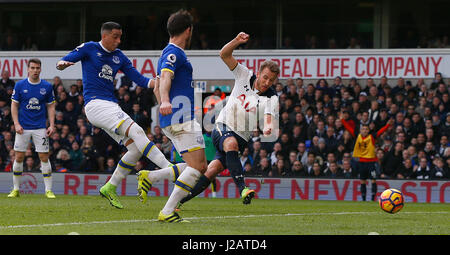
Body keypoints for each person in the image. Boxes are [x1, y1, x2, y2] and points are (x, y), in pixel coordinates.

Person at [56, 21, 184, 209]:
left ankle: (110, 187)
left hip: (110, 106)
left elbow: (140, 79)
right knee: (139, 132)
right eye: (115, 36)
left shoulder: (119, 57)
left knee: (136, 149)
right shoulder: (90, 48)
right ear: (105, 36)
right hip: (96, 105)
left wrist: (157, 82)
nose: (118, 40)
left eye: (120, 37)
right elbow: (66, 59)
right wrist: (61, 65)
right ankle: (170, 170)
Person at [175, 32, 279, 209]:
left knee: (211, 171)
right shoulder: (244, 74)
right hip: (223, 127)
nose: (267, 82)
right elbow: (224, 54)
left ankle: (178, 202)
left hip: (242, 138)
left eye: (272, 80)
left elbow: (269, 118)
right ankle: (243, 188)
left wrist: (268, 128)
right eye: (265, 77)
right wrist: (237, 41)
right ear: (259, 73)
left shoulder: (272, 97)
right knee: (230, 143)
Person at [137, 10, 207, 223]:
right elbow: (165, 78)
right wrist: (166, 101)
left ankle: (152, 176)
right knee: (199, 167)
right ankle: (167, 210)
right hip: (180, 115)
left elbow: (158, 84)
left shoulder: (167, 53)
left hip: (173, 117)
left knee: (196, 164)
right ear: (188, 30)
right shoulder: (173, 53)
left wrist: (162, 102)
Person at [8, 58, 56, 198]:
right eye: (33, 68)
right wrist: (16, 123)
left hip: (40, 127)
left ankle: (48, 190)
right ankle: (16, 189)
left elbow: (51, 106)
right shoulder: (20, 85)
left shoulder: (46, 86)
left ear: (40, 69)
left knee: (44, 157)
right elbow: (14, 105)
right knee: (19, 157)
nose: (35, 70)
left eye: (37, 68)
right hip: (23, 127)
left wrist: (52, 125)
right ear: (28, 69)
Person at [341, 112, 393, 201]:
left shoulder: (372, 137)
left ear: (368, 130)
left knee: (373, 179)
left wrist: (387, 125)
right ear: (361, 130)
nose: (364, 130)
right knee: (362, 181)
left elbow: (381, 131)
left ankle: (373, 198)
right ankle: (363, 199)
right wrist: (342, 120)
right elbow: (348, 128)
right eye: (363, 129)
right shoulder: (357, 136)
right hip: (361, 163)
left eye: (366, 129)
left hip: (371, 163)